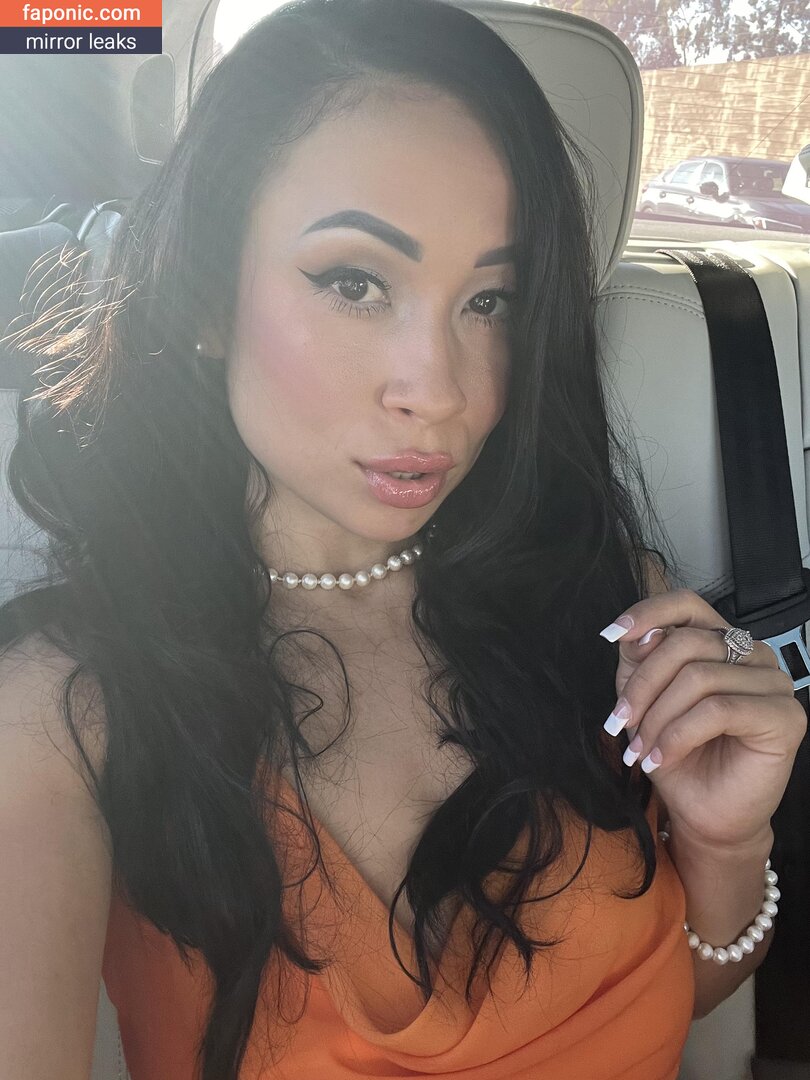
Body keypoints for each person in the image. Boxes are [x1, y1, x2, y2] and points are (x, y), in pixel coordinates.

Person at [0, 0, 804, 1077]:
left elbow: (676, 995)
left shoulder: (606, 604)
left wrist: (725, 839)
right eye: (355, 283)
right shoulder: (62, 713)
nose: (440, 390)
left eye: (492, 301)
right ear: (203, 293)